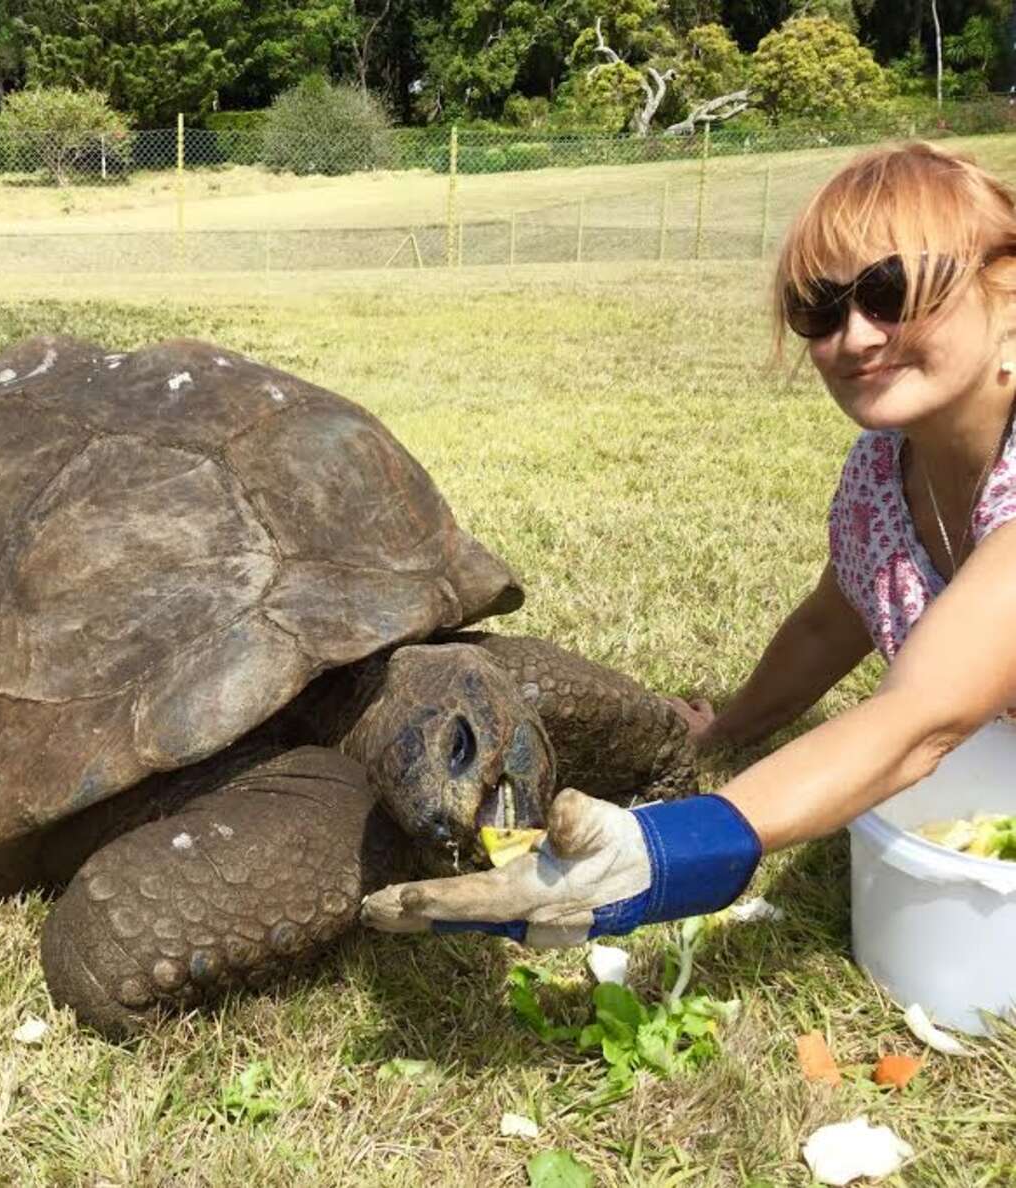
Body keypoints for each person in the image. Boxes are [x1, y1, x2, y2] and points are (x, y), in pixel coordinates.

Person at [361, 140, 1016, 947]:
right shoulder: (883, 469)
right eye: (817, 308)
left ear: (1007, 290)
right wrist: (723, 731)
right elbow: (835, 616)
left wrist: (657, 857)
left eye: (888, 291)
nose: (853, 336)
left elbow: (921, 719)